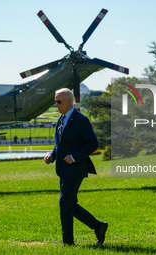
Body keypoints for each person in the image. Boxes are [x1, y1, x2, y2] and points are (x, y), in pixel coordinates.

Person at [44, 88, 108, 246]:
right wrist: (52, 155)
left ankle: (68, 243)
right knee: (69, 204)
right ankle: (99, 226)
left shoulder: (80, 119)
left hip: (76, 168)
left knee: (65, 204)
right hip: (63, 169)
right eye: (55, 101)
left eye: (59, 101)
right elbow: (60, 143)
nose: (56, 104)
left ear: (69, 101)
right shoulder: (61, 118)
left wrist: (74, 157)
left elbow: (93, 143)